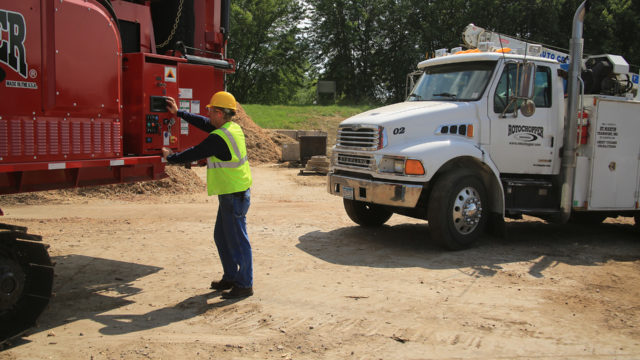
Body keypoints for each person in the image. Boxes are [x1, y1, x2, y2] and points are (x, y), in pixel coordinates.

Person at [161, 91, 253, 299]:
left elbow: (195, 152)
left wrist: (171, 158)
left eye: (211, 111)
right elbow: (204, 124)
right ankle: (231, 276)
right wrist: (179, 113)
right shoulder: (232, 128)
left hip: (234, 195)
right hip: (231, 193)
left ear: (220, 113)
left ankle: (245, 284)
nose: (209, 114)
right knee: (221, 237)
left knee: (238, 241)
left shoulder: (219, 138)